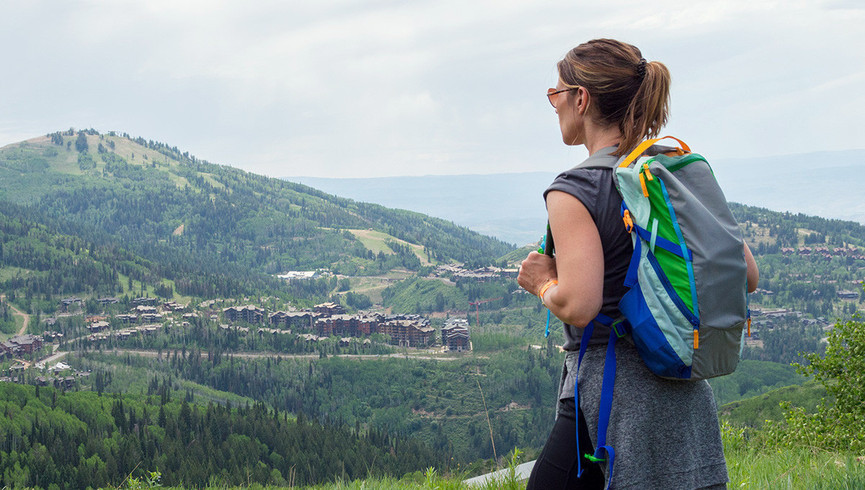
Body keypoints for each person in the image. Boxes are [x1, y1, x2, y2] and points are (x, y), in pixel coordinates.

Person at [517, 39, 759, 489]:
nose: (554, 106)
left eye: (556, 95)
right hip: (684, 388)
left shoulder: (574, 189)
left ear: (581, 98)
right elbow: (747, 275)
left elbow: (581, 304)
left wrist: (543, 282)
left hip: (610, 398)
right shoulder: (669, 171)